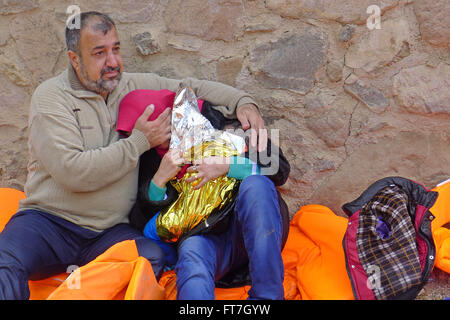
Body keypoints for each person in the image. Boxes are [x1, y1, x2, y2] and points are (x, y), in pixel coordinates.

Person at [0, 11, 266, 300]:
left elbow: (189, 86)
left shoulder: (130, 85)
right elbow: (73, 172)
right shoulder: (51, 97)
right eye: (99, 53)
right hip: (48, 223)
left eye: (116, 49)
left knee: (152, 258)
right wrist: (139, 142)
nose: (113, 62)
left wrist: (242, 101)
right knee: (4, 264)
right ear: (74, 59)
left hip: (109, 232)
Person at [117, 89, 291, 300]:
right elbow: (144, 224)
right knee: (191, 248)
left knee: (255, 186)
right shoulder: (151, 157)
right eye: (141, 131)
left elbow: (278, 168)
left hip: (256, 227)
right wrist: (159, 181)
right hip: (210, 242)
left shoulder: (222, 126)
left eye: (154, 124)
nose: (150, 135)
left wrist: (228, 166)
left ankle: (267, 297)